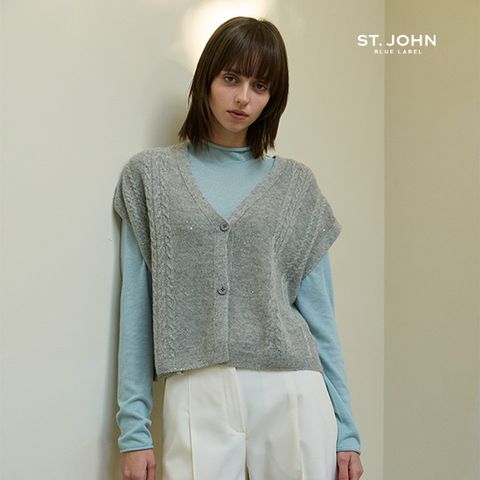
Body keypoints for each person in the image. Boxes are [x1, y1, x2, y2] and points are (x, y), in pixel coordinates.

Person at [114, 16, 364, 480]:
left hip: (292, 387)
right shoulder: (150, 177)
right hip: (196, 386)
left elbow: (321, 318)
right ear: (206, 80)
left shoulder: (296, 186)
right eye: (231, 79)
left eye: (260, 86)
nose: (243, 98)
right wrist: (135, 431)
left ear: (272, 98)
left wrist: (347, 431)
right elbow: (136, 308)